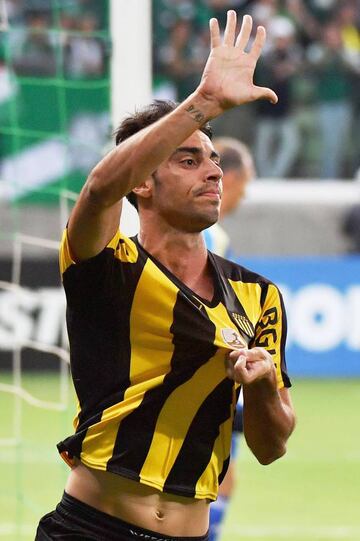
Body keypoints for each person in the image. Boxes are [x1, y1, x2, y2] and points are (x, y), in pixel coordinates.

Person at [36, 11, 296, 541]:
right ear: (144, 186)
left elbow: (272, 447)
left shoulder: (259, 296)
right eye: (188, 160)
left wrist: (266, 387)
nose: (215, 170)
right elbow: (98, 191)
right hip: (90, 527)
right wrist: (203, 102)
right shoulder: (104, 265)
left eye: (215, 158)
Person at [204, 137, 255, 540]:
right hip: (205, 379)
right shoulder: (209, 237)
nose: (245, 194)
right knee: (216, 481)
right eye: (246, 183)